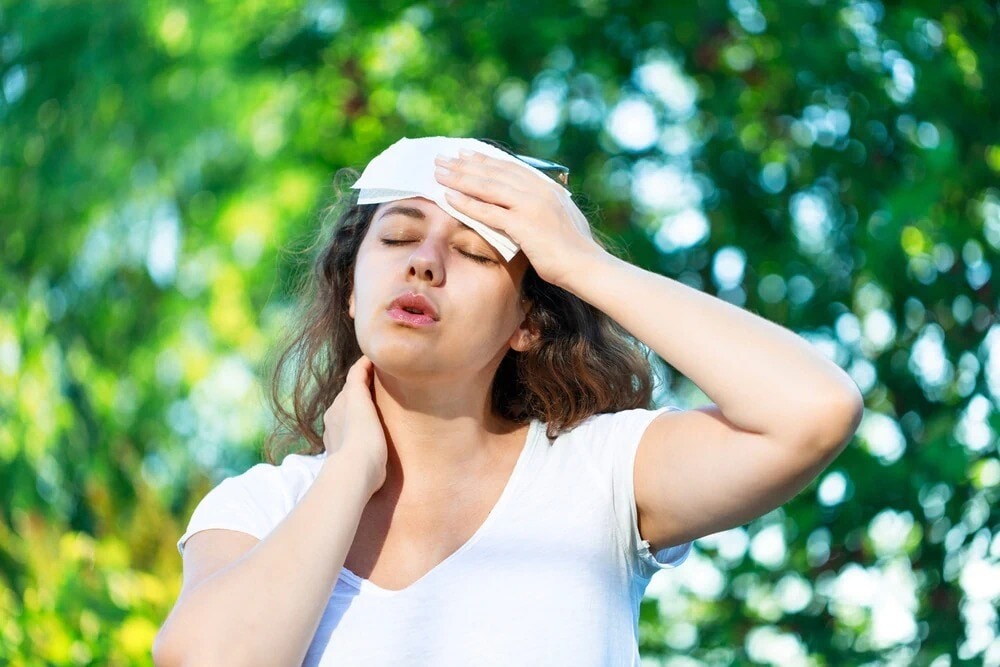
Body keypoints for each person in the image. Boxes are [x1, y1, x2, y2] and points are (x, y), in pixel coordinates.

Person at [153, 136, 863, 666]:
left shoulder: (599, 473)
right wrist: (349, 471)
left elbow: (813, 411)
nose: (424, 261)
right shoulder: (260, 507)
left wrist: (583, 263)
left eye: (474, 252)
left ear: (527, 323)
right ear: (350, 289)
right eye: (397, 236)